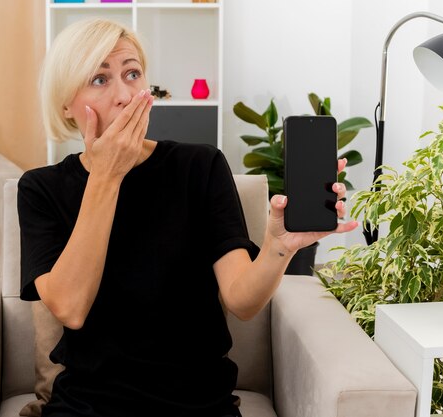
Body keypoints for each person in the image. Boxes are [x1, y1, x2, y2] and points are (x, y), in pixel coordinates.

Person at [18, 17, 358, 417]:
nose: (125, 95)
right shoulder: (41, 189)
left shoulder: (198, 166)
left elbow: (242, 301)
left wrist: (278, 247)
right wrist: (107, 176)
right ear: (65, 104)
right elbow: (71, 308)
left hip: (198, 404)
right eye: (99, 79)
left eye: (132, 74)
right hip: (89, 407)